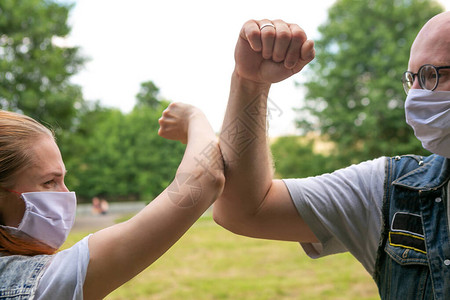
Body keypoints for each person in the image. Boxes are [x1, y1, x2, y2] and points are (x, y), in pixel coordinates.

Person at [213, 13, 450, 299]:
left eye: (431, 76)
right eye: (411, 79)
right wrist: (249, 82)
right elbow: (244, 210)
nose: (414, 96)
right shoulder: (393, 191)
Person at [0, 103, 224, 299]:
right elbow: (205, 178)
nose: (66, 194)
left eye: (63, 180)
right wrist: (195, 117)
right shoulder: (35, 284)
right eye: (49, 182)